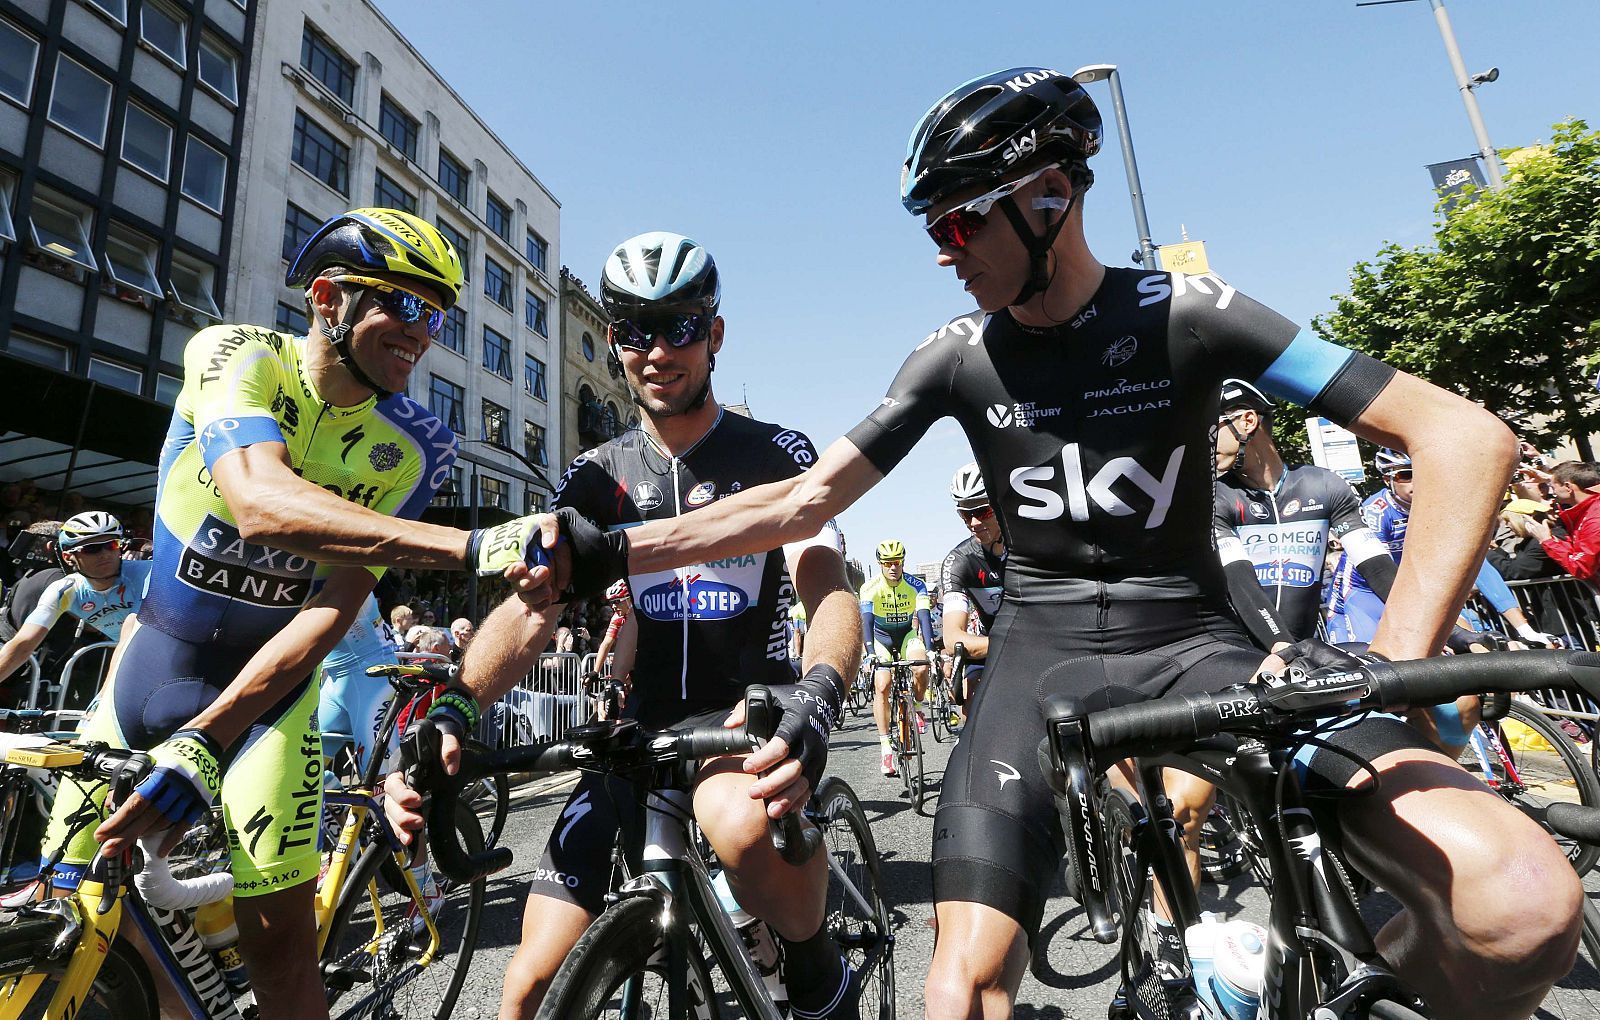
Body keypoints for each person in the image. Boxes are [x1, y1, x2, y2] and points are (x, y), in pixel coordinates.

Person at [539, 68, 1580, 1019]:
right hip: (1034, 663)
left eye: (957, 227)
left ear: (1046, 199)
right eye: (932, 234)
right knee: (960, 995)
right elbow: (801, 503)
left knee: (1521, 903)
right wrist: (612, 550)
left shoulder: (1188, 310)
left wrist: (1385, 668)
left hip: (1198, 640)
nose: (944, 255)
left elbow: (1464, 437)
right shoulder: (952, 356)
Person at [39, 207, 557, 1019]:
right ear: (328, 298)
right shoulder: (234, 354)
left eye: (439, 316)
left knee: (280, 952)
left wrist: (214, 734)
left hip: (272, 705)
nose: (425, 334)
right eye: (406, 306)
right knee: (67, 908)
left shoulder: (419, 444)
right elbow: (260, 502)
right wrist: (466, 547)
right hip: (148, 671)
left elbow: (332, 607)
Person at [385, 231, 864, 1019]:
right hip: (638, 735)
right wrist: (456, 706)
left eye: (679, 326)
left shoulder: (777, 452)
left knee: (736, 830)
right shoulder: (594, 476)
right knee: (528, 990)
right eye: (636, 330)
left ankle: (819, 973)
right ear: (613, 341)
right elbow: (531, 610)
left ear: (714, 335)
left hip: (744, 723)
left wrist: (819, 688)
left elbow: (829, 589)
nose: (657, 350)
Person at [1325, 448, 1555, 654]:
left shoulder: (1440, 508)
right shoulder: (1377, 512)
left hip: (1412, 590)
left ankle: (1514, 699)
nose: (1416, 481)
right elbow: (1381, 574)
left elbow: (1474, 565)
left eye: (1422, 472)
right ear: (1388, 480)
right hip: (1365, 593)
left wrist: (1525, 629)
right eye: (1405, 475)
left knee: (1481, 648)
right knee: (1378, 666)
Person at [0, 512, 150, 702]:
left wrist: (101, 701)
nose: (105, 554)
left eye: (112, 545)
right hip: (140, 663)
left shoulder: (145, 574)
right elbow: (22, 644)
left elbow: (130, 636)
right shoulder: (65, 590)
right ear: (68, 556)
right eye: (91, 549)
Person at [858, 539, 935, 776]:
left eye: (898, 562)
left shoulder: (916, 585)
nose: (893, 567)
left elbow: (923, 617)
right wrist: (870, 653)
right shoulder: (869, 587)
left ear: (903, 562)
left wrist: (930, 648)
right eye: (888, 563)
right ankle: (885, 748)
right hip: (881, 639)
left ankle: (918, 707)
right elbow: (867, 623)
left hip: (906, 635)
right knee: (883, 684)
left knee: (921, 666)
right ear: (880, 564)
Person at [939, 462, 1006, 715]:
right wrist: (1008, 642)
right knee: (973, 708)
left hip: (1040, 643)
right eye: (966, 515)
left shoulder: (1030, 546)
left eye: (983, 511)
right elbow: (953, 637)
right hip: (991, 646)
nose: (974, 522)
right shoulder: (960, 561)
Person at [1525, 461, 1600, 588]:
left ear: (1568, 487)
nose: (1552, 493)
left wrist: (1547, 541)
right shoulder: (1587, 510)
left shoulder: (1594, 519)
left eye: (1553, 487)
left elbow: (1582, 567)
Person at [590, 578, 637, 685]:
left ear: (629, 599)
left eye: (617, 601)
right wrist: (595, 671)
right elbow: (606, 643)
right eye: (611, 602)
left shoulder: (641, 614)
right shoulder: (617, 617)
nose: (613, 606)